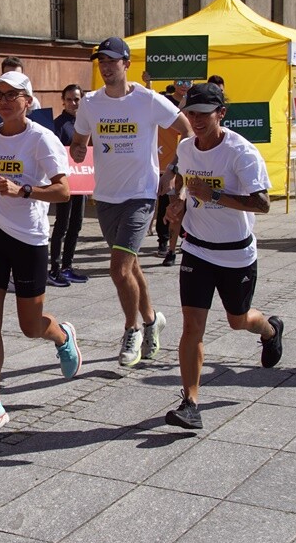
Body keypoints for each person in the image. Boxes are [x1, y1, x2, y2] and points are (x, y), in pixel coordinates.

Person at [0, 70, 81, 439]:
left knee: (30, 326)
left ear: (28, 101)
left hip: (30, 237)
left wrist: (24, 191)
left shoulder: (42, 139)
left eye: (11, 95)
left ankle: (61, 335)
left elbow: (63, 191)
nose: (3, 101)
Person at [163, 83, 284, 429]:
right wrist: (179, 203)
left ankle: (271, 330)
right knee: (191, 328)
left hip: (235, 254)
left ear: (221, 114)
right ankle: (191, 403)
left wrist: (215, 194)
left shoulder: (240, 153)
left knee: (238, 320)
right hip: (198, 249)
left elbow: (262, 204)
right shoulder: (186, 147)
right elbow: (182, 182)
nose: (196, 120)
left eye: (204, 114)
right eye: (191, 113)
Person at [70, 37, 192, 368]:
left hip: (140, 196)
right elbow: (80, 140)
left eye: (112, 61)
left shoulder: (148, 100)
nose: (106, 67)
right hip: (106, 197)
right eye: (101, 62)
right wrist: (79, 150)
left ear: (126, 63)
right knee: (132, 266)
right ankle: (153, 321)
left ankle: (132, 329)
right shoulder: (91, 103)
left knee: (119, 268)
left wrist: (174, 168)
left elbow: (187, 130)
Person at [47, 84, 89, 287]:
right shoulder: (58, 125)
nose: (74, 103)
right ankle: (54, 269)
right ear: (63, 101)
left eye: (77, 99)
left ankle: (67, 267)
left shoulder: (86, 124)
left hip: (82, 182)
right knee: (62, 226)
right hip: (65, 183)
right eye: (70, 99)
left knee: (76, 225)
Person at [157, 79, 192, 266]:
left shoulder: (193, 123)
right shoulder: (167, 111)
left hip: (188, 168)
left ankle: (176, 246)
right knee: (172, 208)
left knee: (179, 208)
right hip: (168, 165)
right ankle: (170, 249)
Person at [0, 56, 42, 136]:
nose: (3, 101)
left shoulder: (42, 137)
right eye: (7, 75)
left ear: (28, 101)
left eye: (16, 75)